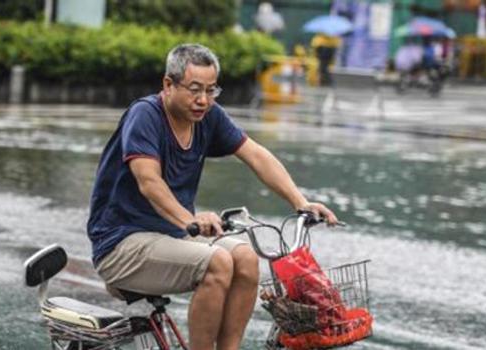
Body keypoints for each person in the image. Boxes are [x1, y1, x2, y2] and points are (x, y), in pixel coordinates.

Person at [87, 43, 338, 350]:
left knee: (246, 258)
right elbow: (149, 181)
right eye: (194, 89)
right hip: (121, 243)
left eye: (210, 90)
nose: (203, 100)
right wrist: (190, 220)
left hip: (171, 236)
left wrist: (300, 201)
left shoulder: (209, 117)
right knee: (217, 262)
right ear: (168, 84)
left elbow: (256, 155)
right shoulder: (145, 115)